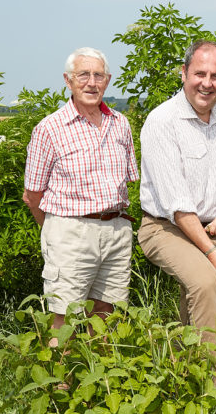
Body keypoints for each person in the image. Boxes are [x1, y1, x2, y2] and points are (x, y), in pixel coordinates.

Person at [138, 40, 216, 408]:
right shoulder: (161, 122)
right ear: (184, 73)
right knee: (207, 283)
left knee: (196, 313)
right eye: (200, 74)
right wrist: (212, 255)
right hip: (166, 227)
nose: (207, 83)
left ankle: (188, 390)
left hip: (214, 227)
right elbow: (177, 206)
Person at [23, 47, 138, 338]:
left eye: (98, 75)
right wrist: (56, 229)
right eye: (83, 75)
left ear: (107, 80)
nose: (91, 82)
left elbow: (127, 183)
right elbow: (32, 195)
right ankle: (61, 383)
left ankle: (99, 382)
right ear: (68, 80)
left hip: (116, 230)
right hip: (71, 232)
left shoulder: (120, 124)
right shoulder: (49, 128)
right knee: (64, 321)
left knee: (107, 317)